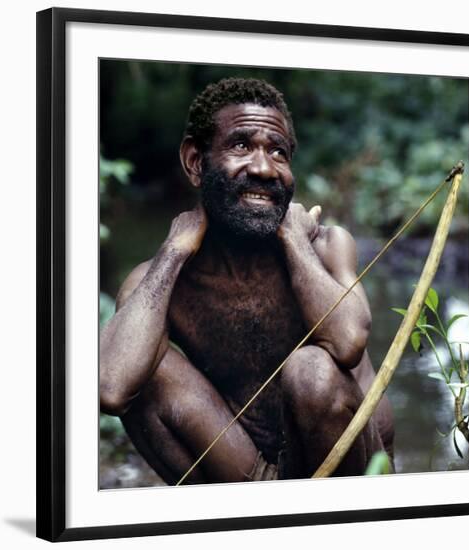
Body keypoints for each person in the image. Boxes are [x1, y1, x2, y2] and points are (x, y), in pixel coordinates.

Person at [100, 77, 394, 484]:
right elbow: (111, 387)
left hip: (354, 469)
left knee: (311, 370)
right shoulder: (162, 276)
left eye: (278, 152)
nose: (263, 168)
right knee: (141, 367)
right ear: (195, 162)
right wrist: (172, 252)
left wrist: (292, 237)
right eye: (241, 145)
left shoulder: (325, 246)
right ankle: (245, 516)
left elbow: (347, 343)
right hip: (252, 474)